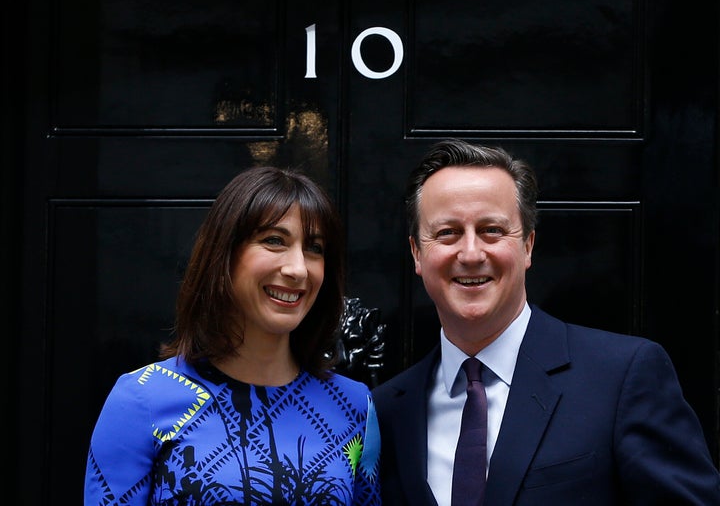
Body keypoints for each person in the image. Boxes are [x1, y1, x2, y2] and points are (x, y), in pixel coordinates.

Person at [372, 139, 720, 505]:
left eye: (492, 229)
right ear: (417, 253)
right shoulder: (388, 411)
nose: (471, 253)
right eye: (448, 233)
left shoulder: (622, 377)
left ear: (528, 246)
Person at [84, 166, 381, 505]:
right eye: (274, 240)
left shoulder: (354, 406)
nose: (298, 268)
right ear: (224, 255)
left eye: (314, 248)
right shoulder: (141, 400)